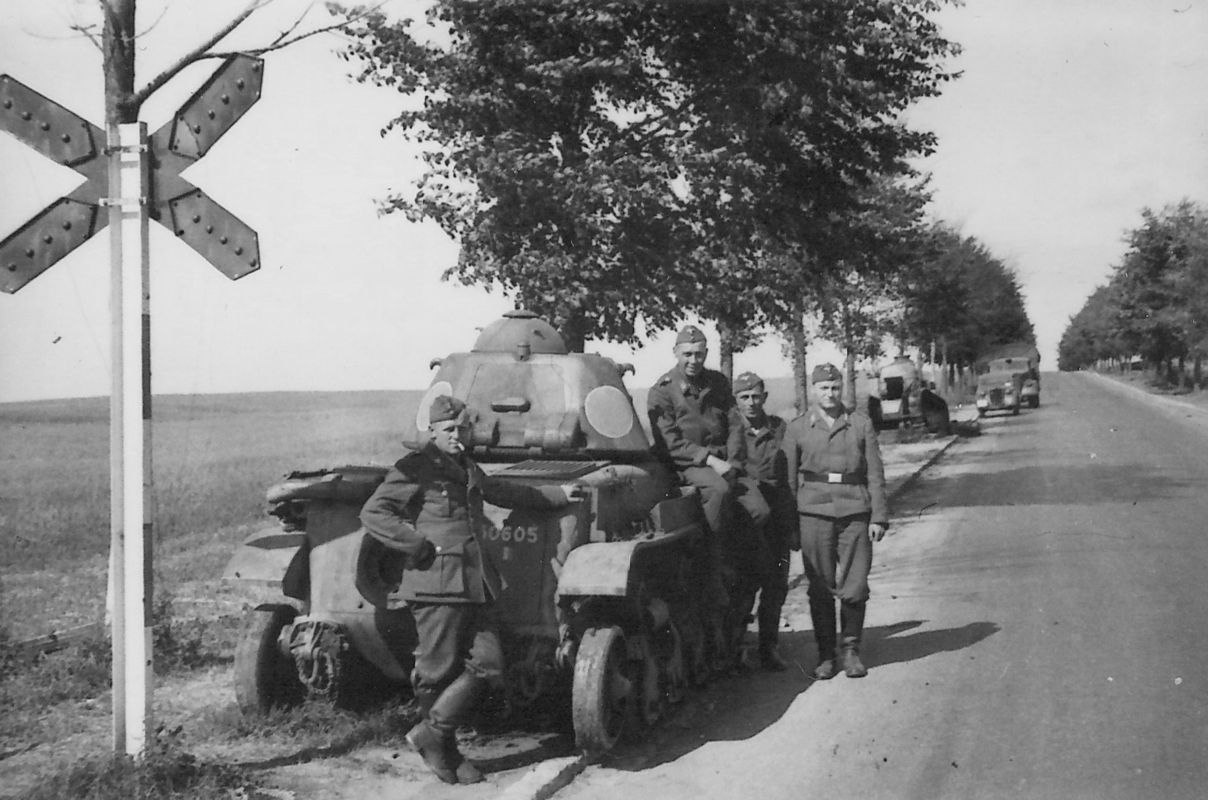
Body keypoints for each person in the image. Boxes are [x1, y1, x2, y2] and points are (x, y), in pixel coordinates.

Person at [360, 395, 574, 784]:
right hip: (436, 582)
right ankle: (446, 753)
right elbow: (374, 512)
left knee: (489, 664)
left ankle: (433, 735)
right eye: (449, 430)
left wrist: (559, 495)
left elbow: (498, 492)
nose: (457, 435)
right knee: (436, 671)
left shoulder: (463, 464)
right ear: (432, 431)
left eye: (461, 428)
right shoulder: (414, 468)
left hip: (473, 581)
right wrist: (417, 545)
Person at [647, 325, 767, 606]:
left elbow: (735, 425)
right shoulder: (662, 392)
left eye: (699, 354)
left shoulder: (718, 383)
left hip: (724, 461)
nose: (693, 360)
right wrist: (711, 460)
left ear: (706, 354)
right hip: (687, 462)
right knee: (719, 491)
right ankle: (714, 564)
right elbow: (672, 444)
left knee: (760, 510)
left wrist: (734, 462)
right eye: (687, 354)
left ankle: (737, 559)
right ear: (676, 353)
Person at [783, 363, 888, 680]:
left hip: (855, 512)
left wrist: (879, 516)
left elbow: (874, 473)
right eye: (823, 388)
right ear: (814, 391)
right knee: (819, 587)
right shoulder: (798, 428)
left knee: (855, 586)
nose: (830, 394)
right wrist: (791, 527)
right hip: (813, 514)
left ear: (842, 388)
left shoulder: (859, 424)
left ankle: (851, 651)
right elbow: (788, 482)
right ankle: (826, 654)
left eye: (835, 388)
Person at [727, 371, 794, 672]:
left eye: (756, 396)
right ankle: (737, 649)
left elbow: (791, 475)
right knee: (744, 585)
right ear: (736, 400)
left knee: (776, 586)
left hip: (776, 520)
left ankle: (769, 647)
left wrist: (793, 526)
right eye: (744, 397)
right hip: (745, 523)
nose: (751, 403)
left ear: (765, 398)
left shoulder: (780, 429)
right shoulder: (729, 430)